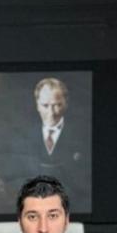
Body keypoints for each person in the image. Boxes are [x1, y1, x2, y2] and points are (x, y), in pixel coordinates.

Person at [26, 78, 91, 210]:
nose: (51, 113)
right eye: (45, 105)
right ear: (37, 105)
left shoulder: (84, 136)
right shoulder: (24, 137)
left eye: (57, 105)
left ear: (66, 104)